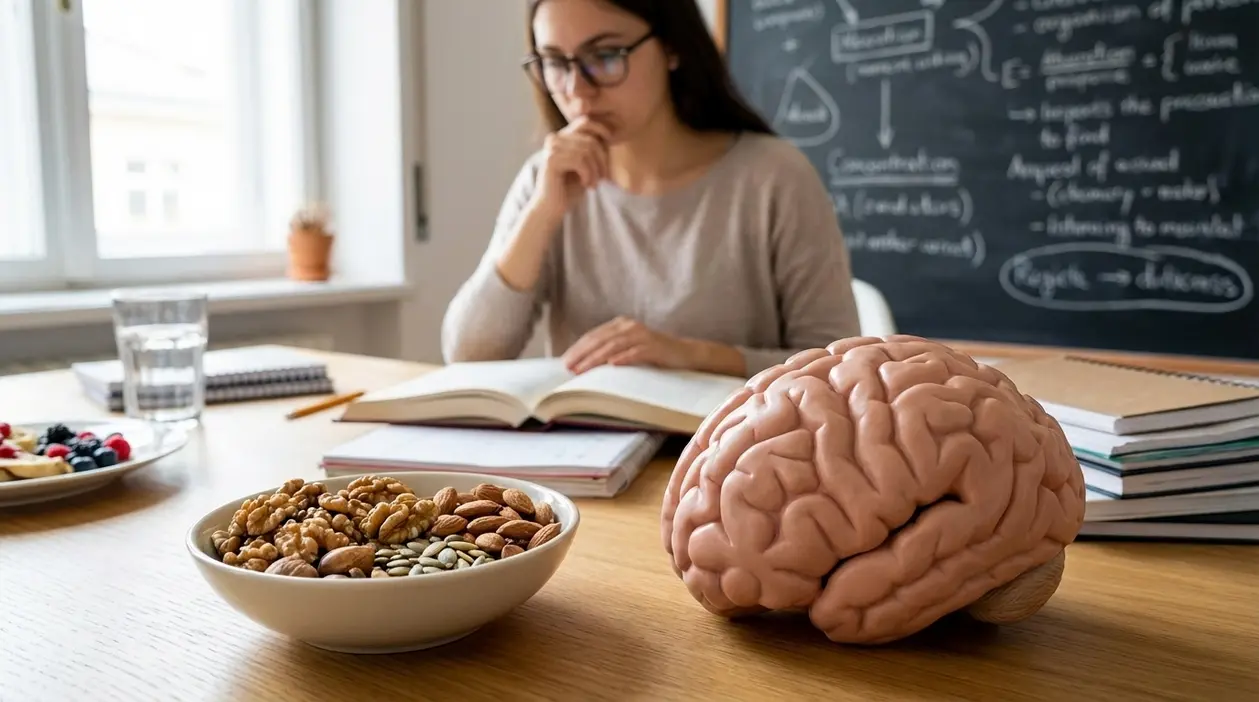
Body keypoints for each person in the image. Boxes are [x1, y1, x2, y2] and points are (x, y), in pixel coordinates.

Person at [441, 0, 860, 379]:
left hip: (733, 455)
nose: (576, 89)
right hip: (588, 451)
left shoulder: (775, 177)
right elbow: (467, 356)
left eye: (605, 56)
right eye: (555, 62)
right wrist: (542, 214)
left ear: (672, 49)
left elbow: (836, 366)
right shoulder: (544, 179)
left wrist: (690, 355)